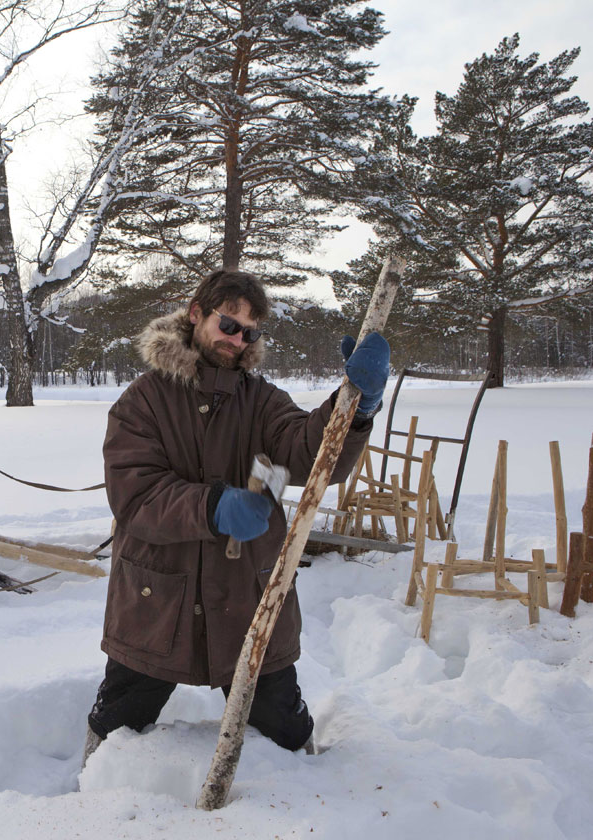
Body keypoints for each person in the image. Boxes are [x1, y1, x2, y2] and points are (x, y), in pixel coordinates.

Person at [83, 269, 390, 764]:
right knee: (119, 719)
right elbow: (135, 496)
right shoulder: (142, 401)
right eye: (229, 325)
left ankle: (312, 805)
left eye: (250, 331)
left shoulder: (262, 400)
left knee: (284, 728)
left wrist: (353, 410)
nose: (238, 340)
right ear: (197, 314)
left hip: (250, 596)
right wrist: (212, 506)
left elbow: (308, 454)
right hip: (157, 603)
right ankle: (91, 804)